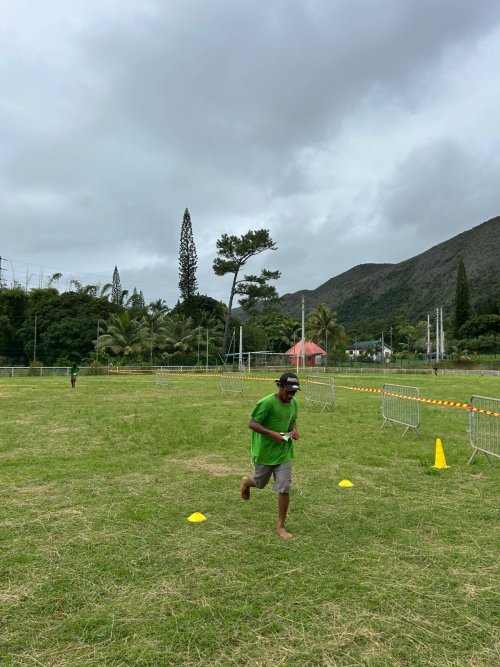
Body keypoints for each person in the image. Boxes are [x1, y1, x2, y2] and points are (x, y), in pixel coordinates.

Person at [240, 371, 300, 540]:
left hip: (284, 452)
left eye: (294, 392)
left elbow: (293, 420)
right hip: (264, 452)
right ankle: (246, 482)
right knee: (259, 483)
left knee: (284, 487)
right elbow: (252, 423)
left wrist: (294, 431)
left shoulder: (293, 403)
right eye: (288, 391)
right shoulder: (266, 403)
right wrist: (271, 434)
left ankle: (280, 526)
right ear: (279, 386)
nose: (291, 395)